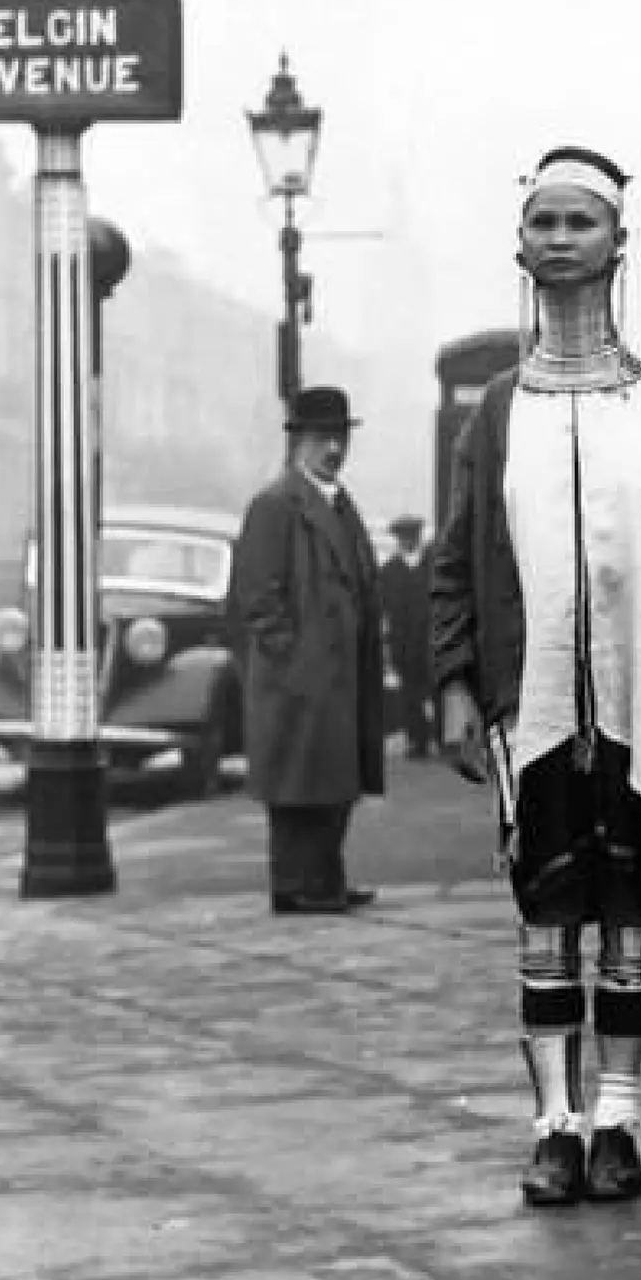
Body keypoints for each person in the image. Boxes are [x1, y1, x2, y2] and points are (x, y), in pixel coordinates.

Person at [429, 145, 641, 1209]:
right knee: (547, 917)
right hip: (538, 711)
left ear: (618, 244)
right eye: (544, 222)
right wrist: (457, 684)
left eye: (581, 222)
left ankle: (618, 1124)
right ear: (520, 245)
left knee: (630, 917)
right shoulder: (497, 412)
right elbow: (454, 560)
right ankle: (552, 1127)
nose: (561, 238)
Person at [231, 385, 386, 917]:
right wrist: (294, 661)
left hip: (340, 677)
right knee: (300, 788)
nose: (334, 448)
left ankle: (325, 880)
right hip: (301, 680)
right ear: (298, 442)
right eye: (323, 438)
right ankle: (297, 886)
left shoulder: (339, 505)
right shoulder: (276, 505)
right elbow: (257, 597)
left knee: (335, 784)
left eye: (340, 437)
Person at [378, 514, 436, 758]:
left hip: (432, 640)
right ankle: (416, 741)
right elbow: (383, 611)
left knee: (438, 691)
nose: (408, 541)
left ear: (419, 536)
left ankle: (443, 739)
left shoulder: (434, 566)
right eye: (403, 537)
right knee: (410, 695)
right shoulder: (388, 571)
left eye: (412, 536)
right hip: (403, 642)